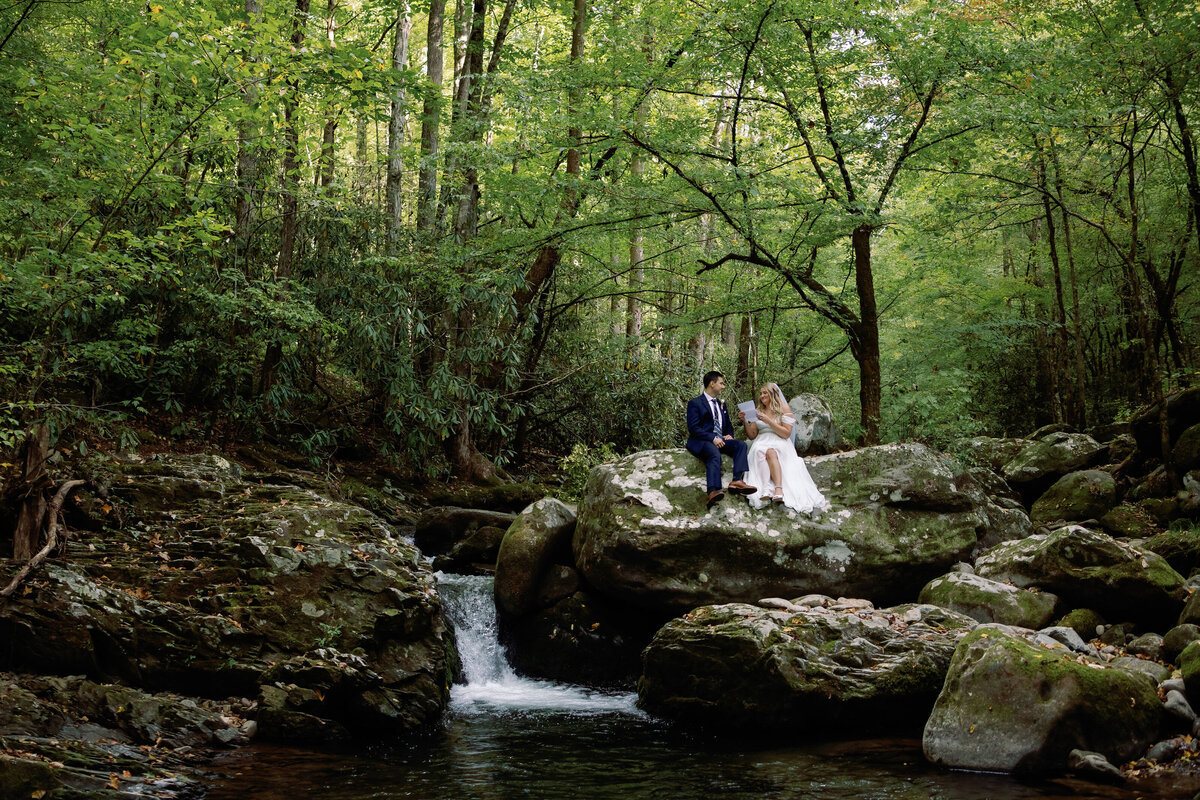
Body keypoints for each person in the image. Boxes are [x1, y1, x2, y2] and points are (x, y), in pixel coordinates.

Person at [738, 382, 829, 513]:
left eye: (765, 393)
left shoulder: (784, 408)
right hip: (761, 440)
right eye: (761, 393)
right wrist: (746, 421)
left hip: (779, 441)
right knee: (759, 450)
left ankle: (778, 489)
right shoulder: (758, 411)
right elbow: (752, 435)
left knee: (770, 452)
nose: (762, 396)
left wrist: (768, 421)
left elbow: (786, 433)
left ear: (773, 394)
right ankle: (765, 488)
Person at [686, 371, 757, 508]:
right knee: (713, 453)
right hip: (701, 441)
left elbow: (728, 426)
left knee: (741, 445)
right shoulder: (695, 403)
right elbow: (693, 428)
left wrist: (729, 435)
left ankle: (736, 481)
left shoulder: (720, 404)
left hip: (720, 440)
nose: (723, 387)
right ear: (712, 384)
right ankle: (713, 491)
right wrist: (713, 438)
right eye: (721, 383)